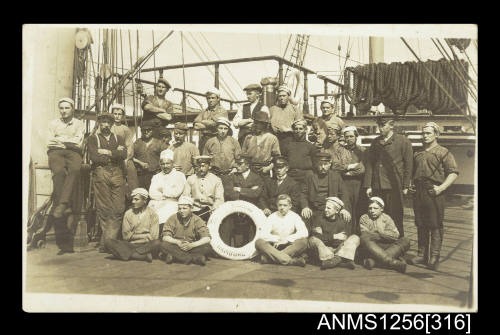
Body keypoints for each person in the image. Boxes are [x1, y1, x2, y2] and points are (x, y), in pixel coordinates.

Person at [409, 122, 459, 270]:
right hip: (419, 191)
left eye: (428, 133)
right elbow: (413, 173)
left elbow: (453, 173)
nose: (425, 136)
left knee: (435, 224)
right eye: (423, 133)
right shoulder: (417, 153)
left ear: (436, 134)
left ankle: (434, 257)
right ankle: (421, 254)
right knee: (420, 223)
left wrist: (441, 188)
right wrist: (411, 185)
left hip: (435, 191)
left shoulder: (444, 152)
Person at [364, 116, 413, 238]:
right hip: (377, 186)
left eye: (383, 126)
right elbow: (370, 164)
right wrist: (368, 185)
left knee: (395, 215)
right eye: (379, 126)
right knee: (378, 215)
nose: (380, 129)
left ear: (391, 126)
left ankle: (399, 244)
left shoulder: (403, 141)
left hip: (394, 186)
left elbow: (409, 164)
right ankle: (381, 245)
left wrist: (406, 185)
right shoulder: (375, 142)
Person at [47, 98, 85, 254]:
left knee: (75, 169)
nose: (63, 111)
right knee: (59, 172)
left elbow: (79, 143)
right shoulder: (53, 124)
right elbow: (50, 142)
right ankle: (63, 203)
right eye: (61, 108)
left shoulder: (79, 124)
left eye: (67, 108)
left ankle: (62, 203)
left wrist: (61, 140)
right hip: (55, 152)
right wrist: (67, 141)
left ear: (72, 109)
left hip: (73, 153)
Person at [88, 112, 127, 253]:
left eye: (108, 122)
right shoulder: (93, 139)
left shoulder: (119, 138)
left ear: (112, 124)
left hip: (117, 172)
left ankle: (107, 242)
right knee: (105, 209)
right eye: (103, 122)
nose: (106, 125)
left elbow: (123, 155)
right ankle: (109, 244)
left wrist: (106, 152)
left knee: (118, 208)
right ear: (99, 123)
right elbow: (94, 157)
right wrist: (114, 152)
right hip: (101, 172)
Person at [104, 188, 161, 263]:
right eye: (133, 199)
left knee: (157, 243)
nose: (133, 202)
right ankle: (142, 256)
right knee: (108, 242)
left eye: (136, 199)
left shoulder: (153, 215)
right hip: (130, 245)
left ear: (144, 201)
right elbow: (126, 237)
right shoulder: (128, 214)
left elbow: (153, 237)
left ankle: (130, 254)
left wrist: (134, 235)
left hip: (147, 246)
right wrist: (144, 236)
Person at [300, 151, 352, 230]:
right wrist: (305, 207)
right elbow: (303, 194)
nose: (323, 167)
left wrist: (345, 209)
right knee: (305, 217)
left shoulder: (335, 176)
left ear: (330, 164)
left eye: (325, 164)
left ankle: (341, 240)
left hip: (330, 208)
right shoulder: (310, 176)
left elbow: (344, 194)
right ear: (316, 164)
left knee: (345, 217)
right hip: (314, 208)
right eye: (320, 164)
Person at [222, 154, 264, 247]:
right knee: (229, 224)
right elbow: (229, 193)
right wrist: (249, 190)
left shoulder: (256, 177)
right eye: (236, 163)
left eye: (240, 164)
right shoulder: (233, 176)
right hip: (236, 209)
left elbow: (256, 194)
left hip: (251, 210)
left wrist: (240, 189)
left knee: (252, 231)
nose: (237, 166)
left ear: (247, 165)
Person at [359, 197, 410, 273]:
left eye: (375, 208)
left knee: (405, 240)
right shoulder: (364, 218)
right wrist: (385, 235)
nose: (372, 211)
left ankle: (375, 262)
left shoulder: (386, 218)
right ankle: (391, 262)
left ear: (381, 209)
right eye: (370, 208)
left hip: (387, 246)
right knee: (364, 238)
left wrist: (379, 233)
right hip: (372, 247)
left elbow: (395, 235)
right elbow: (365, 234)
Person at [255, 194, 308, 266]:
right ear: (277, 205)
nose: (282, 207)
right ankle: (290, 261)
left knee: (303, 241)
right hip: (274, 247)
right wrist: (277, 239)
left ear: (290, 206)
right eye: (280, 205)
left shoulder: (295, 216)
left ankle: (270, 258)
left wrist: (287, 239)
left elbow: (304, 232)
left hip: (289, 247)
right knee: (259, 242)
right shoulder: (272, 216)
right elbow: (263, 234)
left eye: (285, 205)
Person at [308, 197, 360, 270]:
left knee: (355, 237)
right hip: (324, 250)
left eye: (329, 208)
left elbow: (343, 240)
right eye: (325, 207)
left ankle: (334, 261)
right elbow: (317, 237)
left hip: (338, 249)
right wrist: (334, 236)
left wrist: (325, 237)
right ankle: (341, 261)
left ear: (337, 210)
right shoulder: (319, 219)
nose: (325, 210)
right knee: (313, 240)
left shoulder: (342, 221)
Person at [159, 196, 212, 266]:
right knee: (163, 245)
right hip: (176, 246)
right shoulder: (172, 218)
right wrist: (178, 242)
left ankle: (176, 257)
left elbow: (207, 238)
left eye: (185, 208)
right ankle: (194, 258)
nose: (181, 211)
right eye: (180, 208)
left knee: (207, 247)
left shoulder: (197, 220)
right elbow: (165, 237)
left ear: (191, 208)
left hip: (191, 246)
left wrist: (192, 245)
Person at [148, 149, 188, 233]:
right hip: (156, 203)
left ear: (173, 164)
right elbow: (151, 193)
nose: (165, 166)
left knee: (165, 217)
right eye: (162, 164)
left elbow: (176, 193)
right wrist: (165, 195)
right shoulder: (156, 176)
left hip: (172, 203)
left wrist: (162, 190)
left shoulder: (179, 175)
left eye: (167, 163)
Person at [342, 126, 366, 234]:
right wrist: (348, 167)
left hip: (358, 184)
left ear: (356, 136)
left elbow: (362, 168)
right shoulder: (341, 151)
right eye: (346, 137)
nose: (349, 139)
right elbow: (337, 166)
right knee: (347, 209)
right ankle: (347, 233)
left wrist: (348, 171)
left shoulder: (362, 151)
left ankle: (358, 235)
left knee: (358, 209)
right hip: (345, 184)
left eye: (351, 136)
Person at [241, 110, 280, 177]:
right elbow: (243, 156)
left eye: (260, 123)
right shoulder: (249, 137)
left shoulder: (272, 138)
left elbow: (276, 158)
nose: (256, 125)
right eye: (255, 122)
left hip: (264, 169)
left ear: (265, 124)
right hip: (250, 169)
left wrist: (268, 168)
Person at [185, 155, 224, 222]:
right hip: (194, 211)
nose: (201, 169)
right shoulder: (191, 179)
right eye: (199, 166)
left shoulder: (216, 180)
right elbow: (186, 197)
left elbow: (219, 199)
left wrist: (213, 210)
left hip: (210, 211)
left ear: (209, 166)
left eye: (203, 166)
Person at [110, 103, 139, 193]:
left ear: (122, 116)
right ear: (112, 114)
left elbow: (129, 145)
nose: (117, 116)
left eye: (119, 114)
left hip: (122, 156)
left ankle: (134, 194)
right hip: (109, 155)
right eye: (115, 114)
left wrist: (127, 158)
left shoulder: (125, 129)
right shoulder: (107, 126)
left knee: (131, 168)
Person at [132, 120, 168, 190]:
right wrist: (140, 163)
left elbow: (166, 156)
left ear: (153, 130)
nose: (146, 132)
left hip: (156, 175)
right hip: (141, 175)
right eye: (144, 130)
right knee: (142, 195)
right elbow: (130, 156)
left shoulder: (159, 143)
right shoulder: (137, 143)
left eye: (149, 130)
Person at [281, 119, 318, 185]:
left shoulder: (310, 146)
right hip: (291, 174)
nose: (298, 131)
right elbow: (284, 160)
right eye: (296, 129)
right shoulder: (288, 145)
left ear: (305, 130)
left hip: (306, 175)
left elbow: (315, 163)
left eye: (300, 129)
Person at [193, 87, 229, 152]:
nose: (210, 100)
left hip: (216, 139)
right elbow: (195, 125)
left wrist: (202, 123)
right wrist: (208, 123)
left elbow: (214, 124)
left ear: (218, 99)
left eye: (213, 98)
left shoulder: (222, 111)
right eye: (208, 98)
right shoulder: (203, 111)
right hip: (204, 140)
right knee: (203, 159)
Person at [269, 85, 303, 152]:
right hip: (274, 139)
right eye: (280, 96)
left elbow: (301, 126)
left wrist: (289, 129)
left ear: (288, 97)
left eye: (284, 96)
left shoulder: (295, 109)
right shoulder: (272, 109)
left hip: (290, 139)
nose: (281, 98)